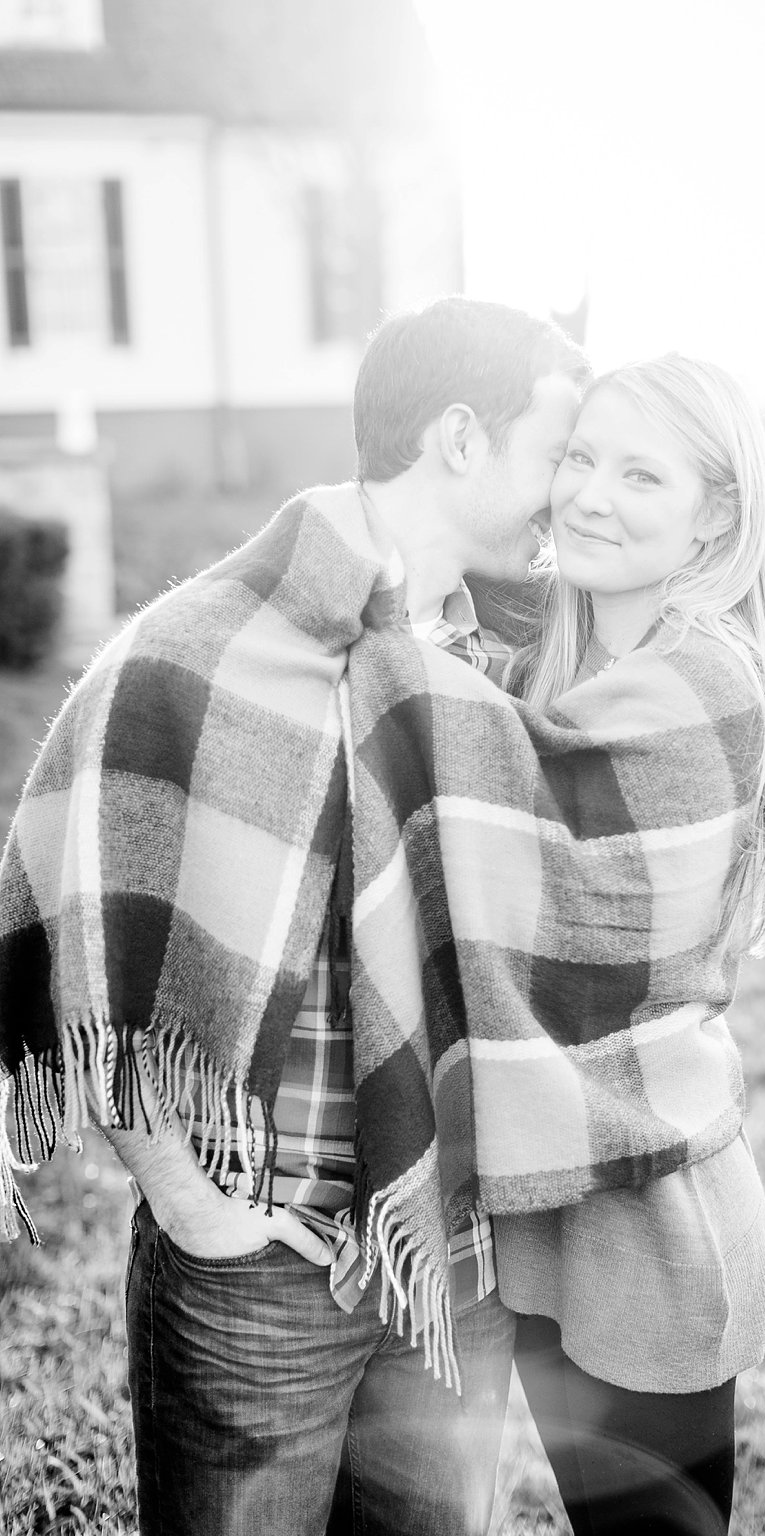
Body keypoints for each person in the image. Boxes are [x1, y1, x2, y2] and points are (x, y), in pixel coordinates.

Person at [0, 297, 588, 1535]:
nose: (567, 491)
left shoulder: (508, 669)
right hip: (252, 1268)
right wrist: (196, 1205)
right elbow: (89, 925)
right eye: (557, 450)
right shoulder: (196, 650)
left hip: (447, 1261)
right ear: (463, 439)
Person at [486, 355, 765, 1535]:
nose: (589, 495)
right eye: (578, 457)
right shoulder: (568, 670)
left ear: (713, 517)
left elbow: (484, 836)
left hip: (650, 1226)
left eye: (640, 473)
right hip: (553, 1202)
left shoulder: (697, 684)